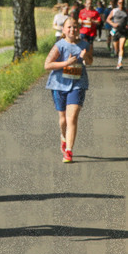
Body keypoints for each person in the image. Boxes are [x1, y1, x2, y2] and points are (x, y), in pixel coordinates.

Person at [44, 17, 93, 163]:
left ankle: (69, 151)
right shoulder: (60, 45)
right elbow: (47, 65)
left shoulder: (85, 45)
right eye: (69, 27)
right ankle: (63, 137)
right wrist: (66, 63)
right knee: (63, 119)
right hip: (59, 84)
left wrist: (86, 57)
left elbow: (90, 62)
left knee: (72, 118)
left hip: (78, 84)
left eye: (75, 27)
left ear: (79, 29)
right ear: (64, 30)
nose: (72, 30)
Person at [107, 0, 128, 69]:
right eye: (120, 2)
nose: (121, 4)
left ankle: (119, 63)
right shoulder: (114, 11)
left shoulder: (127, 11)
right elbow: (108, 19)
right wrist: (113, 24)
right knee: (117, 49)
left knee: (122, 47)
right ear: (118, 3)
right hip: (115, 31)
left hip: (123, 31)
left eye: (123, 2)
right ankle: (116, 54)